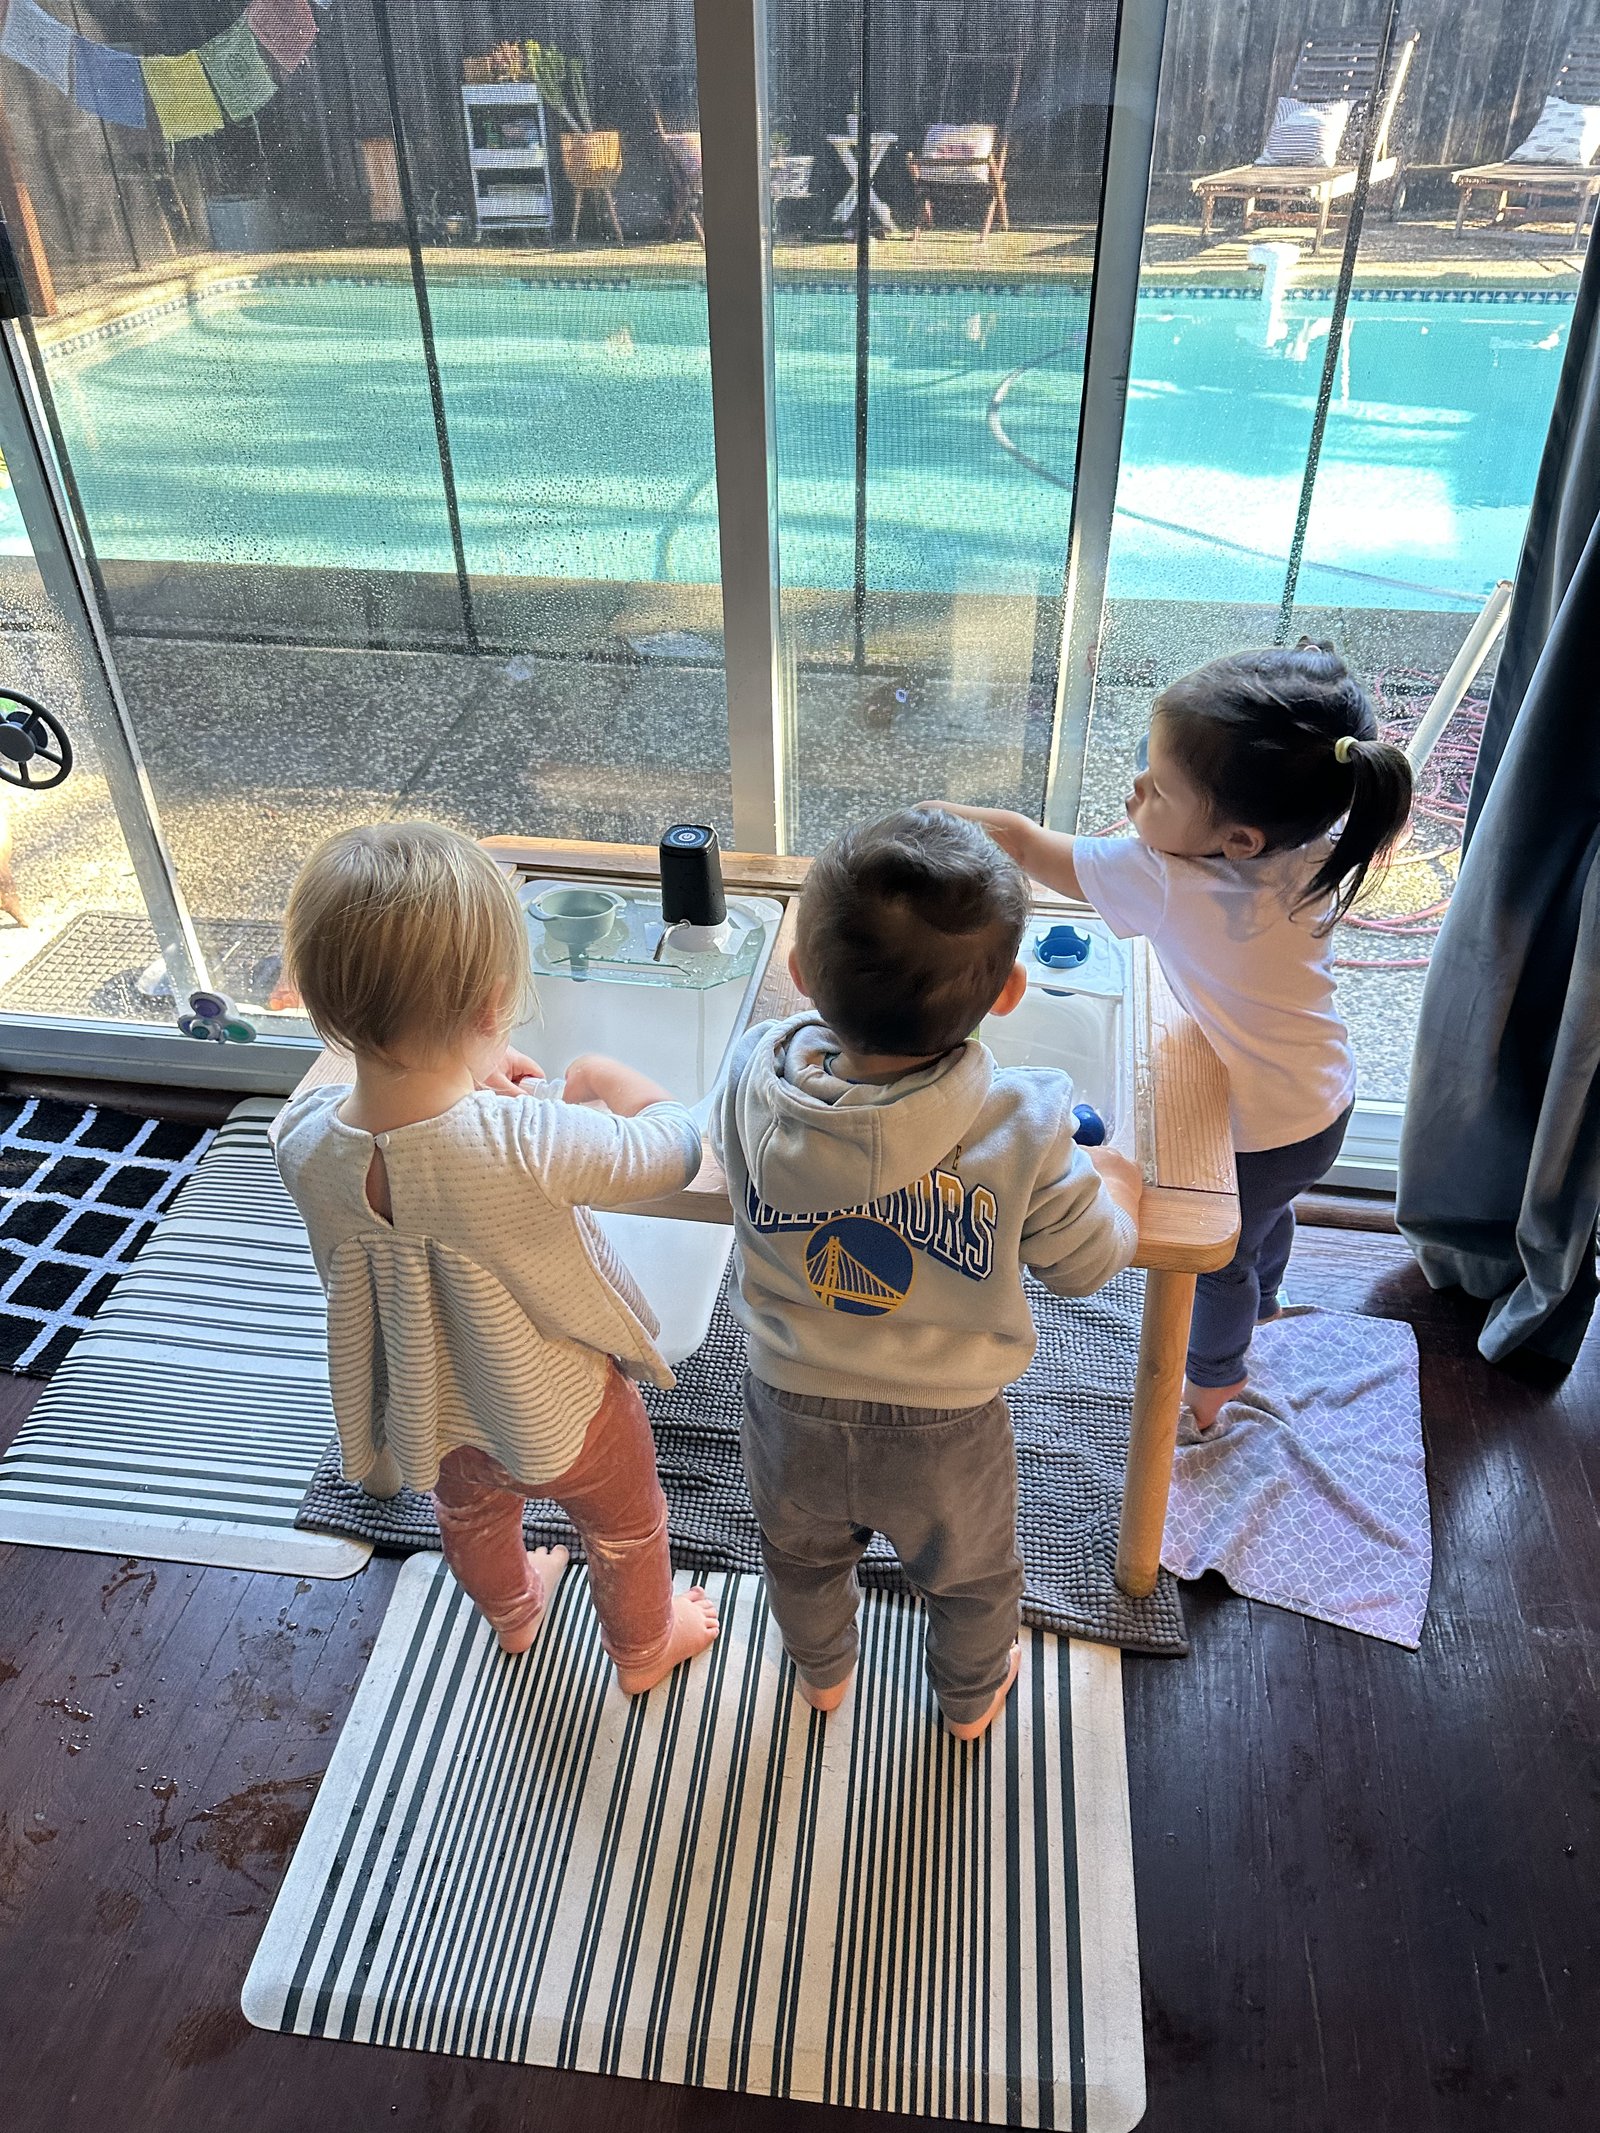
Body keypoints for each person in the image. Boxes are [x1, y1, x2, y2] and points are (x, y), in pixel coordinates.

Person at [714, 808, 1141, 1741]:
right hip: (947, 1429)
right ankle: (969, 1699)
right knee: (974, 1576)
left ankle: (823, 1675)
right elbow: (1090, 1263)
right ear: (1011, 992)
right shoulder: (1027, 1126)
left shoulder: (754, 1074)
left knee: (800, 1557)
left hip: (791, 1400)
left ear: (800, 977)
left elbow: (719, 1148)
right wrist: (1120, 1188)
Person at [274, 821, 719, 1693]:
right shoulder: (523, 1138)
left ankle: (514, 1614)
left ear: (322, 1004)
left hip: (434, 1414)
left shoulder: (298, 1141)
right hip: (565, 1414)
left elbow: (405, 1152)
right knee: (626, 1524)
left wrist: (463, 1074)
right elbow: (675, 1146)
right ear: (490, 1007)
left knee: (470, 1514)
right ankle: (644, 1646)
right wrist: (605, 1073)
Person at [934, 638, 1412, 1429]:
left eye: (1155, 788)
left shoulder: (1165, 878)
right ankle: (1265, 1303)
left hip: (1260, 1126)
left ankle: (1213, 1388)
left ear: (1240, 839)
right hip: (1324, 1103)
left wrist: (926, 820)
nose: (1133, 793)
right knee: (1265, 1216)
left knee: (1215, 1255)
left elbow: (1017, 843)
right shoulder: (1318, 853)